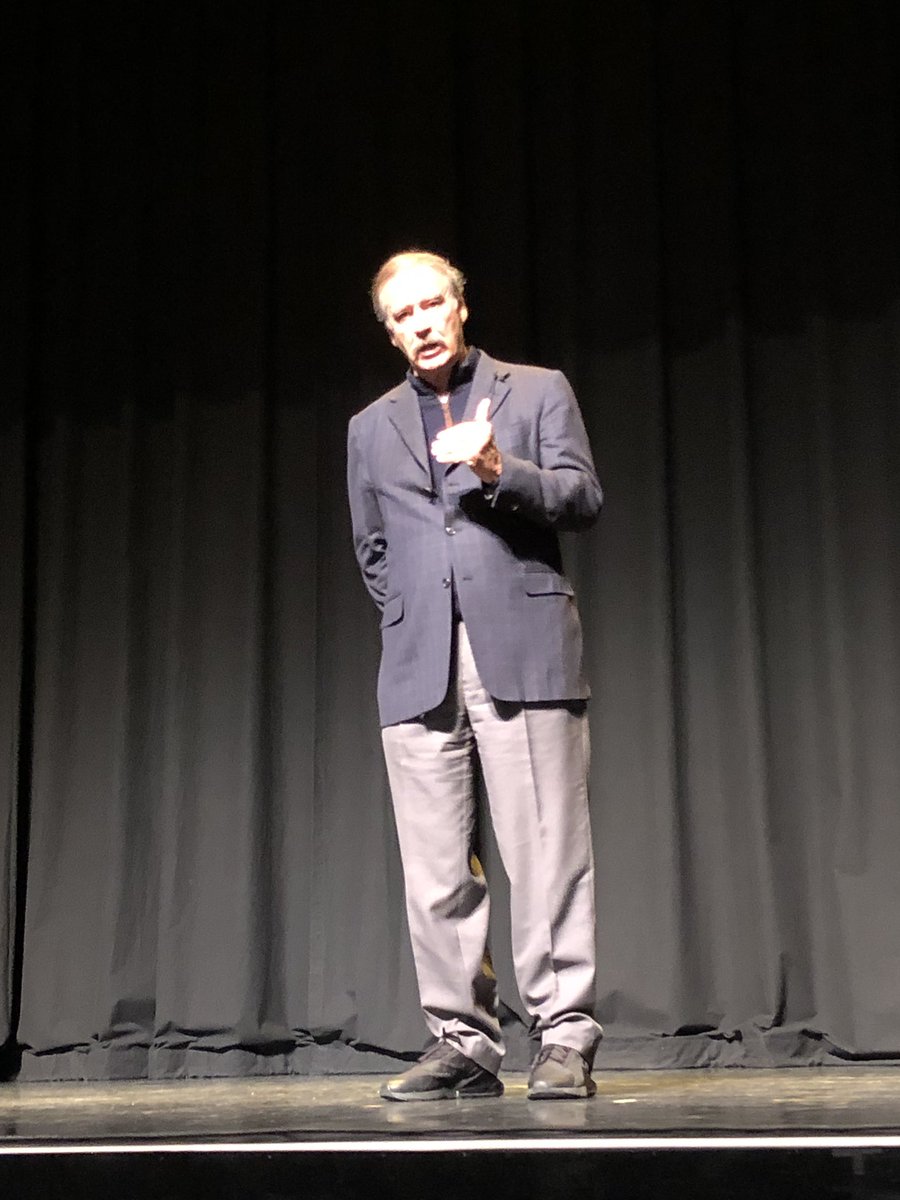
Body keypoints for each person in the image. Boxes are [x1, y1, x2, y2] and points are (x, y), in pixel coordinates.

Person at [347, 250, 603, 1101]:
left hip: (523, 645)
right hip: (420, 662)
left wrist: (500, 471)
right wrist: (416, 615)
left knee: (545, 855)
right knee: (436, 872)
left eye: (432, 305)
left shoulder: (535, 390)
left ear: (460, 306)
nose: (420, 323)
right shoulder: (369, 427)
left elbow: (581, 498)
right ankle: (463, 1043)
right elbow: (373, 551)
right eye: (402, 315)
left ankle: (564, 1036)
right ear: (389, 332)